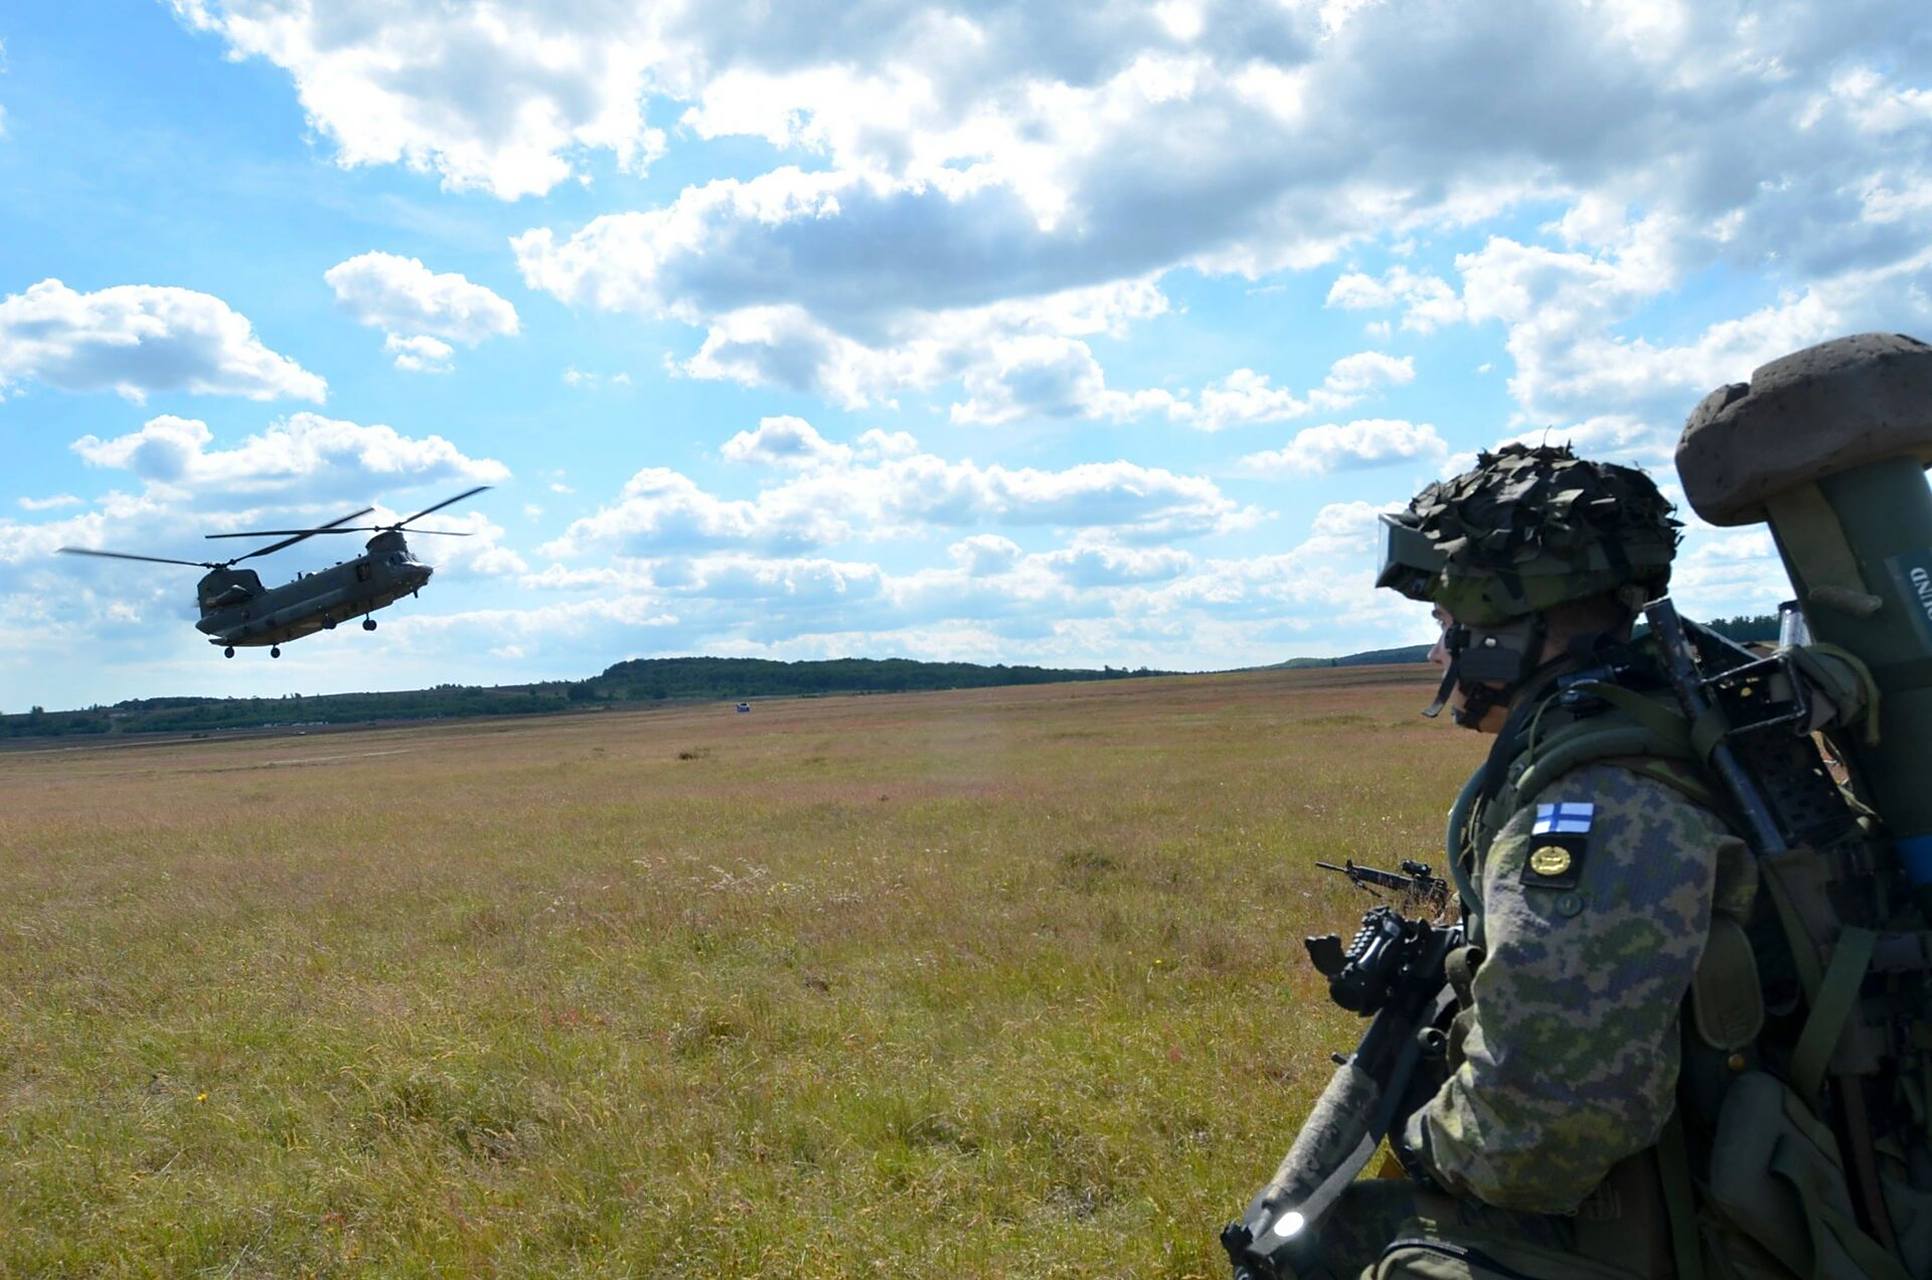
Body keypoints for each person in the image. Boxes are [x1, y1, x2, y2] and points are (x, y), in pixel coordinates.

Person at [1294, 443, 1758, 1279]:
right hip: (1736, 1170)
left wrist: (1418, 1136)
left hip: (1729, 1227)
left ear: (1511, 632)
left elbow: (1537, 1134)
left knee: (1341, 1247)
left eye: (1446, 628)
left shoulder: (1597, 809)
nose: (1438, 656)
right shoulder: (1670, 729)